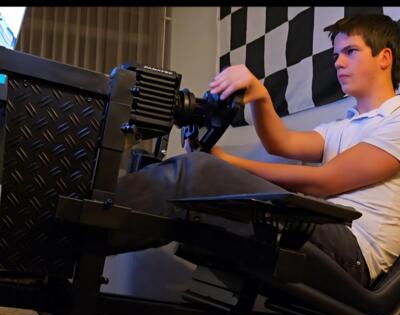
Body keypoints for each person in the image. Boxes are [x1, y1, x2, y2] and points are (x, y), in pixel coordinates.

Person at [116, 13, 400, 288]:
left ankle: (92, 223)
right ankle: (95, 227)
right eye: (336, 55)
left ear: (384, 58)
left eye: (350, 51)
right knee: (194, 195)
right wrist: (260, 97)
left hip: (354, 249)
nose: (338, 62)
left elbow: (324, 182)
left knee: (197, 172)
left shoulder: (396, 119)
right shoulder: (342, 127)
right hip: (326, 226)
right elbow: (281, 143)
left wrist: (224, 163)